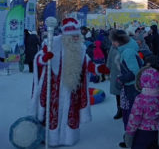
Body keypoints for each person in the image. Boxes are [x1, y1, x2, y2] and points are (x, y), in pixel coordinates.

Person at [29, 18, 109, 147]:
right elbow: (38, 59)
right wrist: (44, 58)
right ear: (65, 36)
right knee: (52, 114)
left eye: (77, 36)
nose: (76, 39)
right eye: (73, 36)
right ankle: (51, 138)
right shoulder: (51, 43)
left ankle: (68, 138)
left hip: (72, 90)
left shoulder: (80, 49)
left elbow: (87, 64)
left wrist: (98, 69)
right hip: (53, 89)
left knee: (70, 113)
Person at [109, 30, 143, 148]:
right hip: (129, 87)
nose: (112, 44)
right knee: (128, 113)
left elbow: (135, 72)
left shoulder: (127, 52)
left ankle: (133, 140)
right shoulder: (126, 49)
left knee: (131, 114)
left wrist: (121, 79)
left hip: (132, 88)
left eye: (113, 41)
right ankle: (130, 138)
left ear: (118, 41)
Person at [124, 67, 159, 149]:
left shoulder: (140, 99)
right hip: (156, 133)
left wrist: (129, 134)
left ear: (142, 81)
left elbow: (134, 119)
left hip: (142, 134)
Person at [107, 42, 122, 120]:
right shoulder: (112, 47)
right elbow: (109, 58)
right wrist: (108, 69)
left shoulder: (125, 46)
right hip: (115, 73)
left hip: (124, 72)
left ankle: (126, 110)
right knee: (117, 92)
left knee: (124, 93)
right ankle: (119, 109)